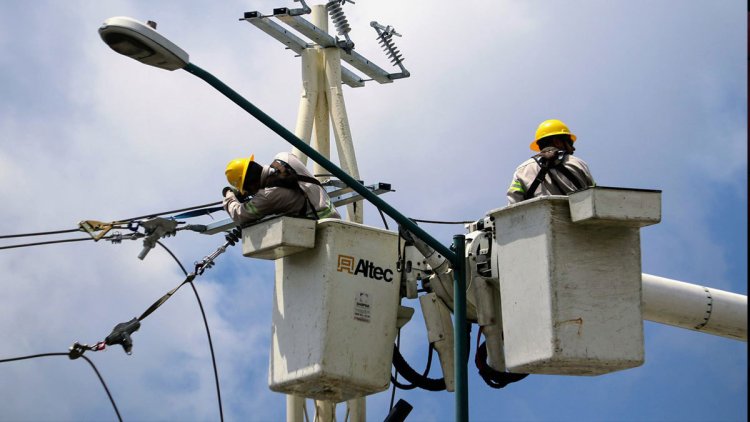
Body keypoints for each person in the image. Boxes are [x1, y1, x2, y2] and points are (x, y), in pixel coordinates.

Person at [223, 151, 340, 225]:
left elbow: (239, 215)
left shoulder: (267, 196)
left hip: (321, 229)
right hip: (334, 217)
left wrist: (229, 194)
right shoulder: (285, 157)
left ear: (251, 185)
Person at [507, 119, 595, 204]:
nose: (573, 148)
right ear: (557, 142)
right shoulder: (578, 163)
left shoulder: (522, 170)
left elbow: (513, 206)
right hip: (578, 218)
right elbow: (596, 197)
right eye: (570, 143)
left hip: (540, 218)